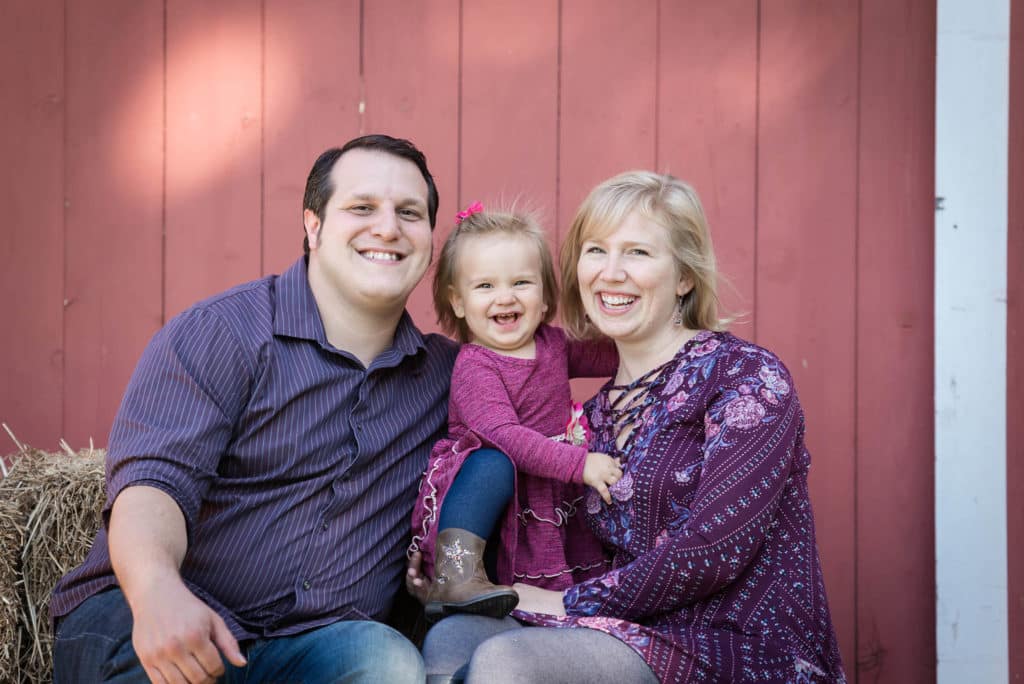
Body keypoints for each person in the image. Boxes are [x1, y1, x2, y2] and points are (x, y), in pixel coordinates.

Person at [50, 134, 459, 684]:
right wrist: (156, 592)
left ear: (430, 240)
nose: (387, 228)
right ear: (313, 226)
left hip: (312, 649)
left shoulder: (448, 378)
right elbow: (153, 485)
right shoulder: (223, 333)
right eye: (362, 207)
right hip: (157, 616)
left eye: (409, 213)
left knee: (389, 661)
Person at [415, 171, 847, 683]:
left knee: (505, 663)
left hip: (733, 642)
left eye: (638, 253)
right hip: (618, 626)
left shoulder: (744, 379)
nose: (611, 272)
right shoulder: (594, 418)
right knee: (451, 639)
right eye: (596, 250)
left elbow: (711, 552)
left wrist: (563, 600)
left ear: (684, 276)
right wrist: (446, 558)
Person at [406, 204, 620, 622]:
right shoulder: (476, 365)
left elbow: (614, 356)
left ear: (544, 298)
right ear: (459, 302)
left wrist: (658, 337)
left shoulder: (553, 344)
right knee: (492, 462)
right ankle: (456, 575)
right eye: (485, 285)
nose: (505, 296)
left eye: (521, 282)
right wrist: (580, 463)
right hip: (487, 500)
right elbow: (505, 434)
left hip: (547, 486)